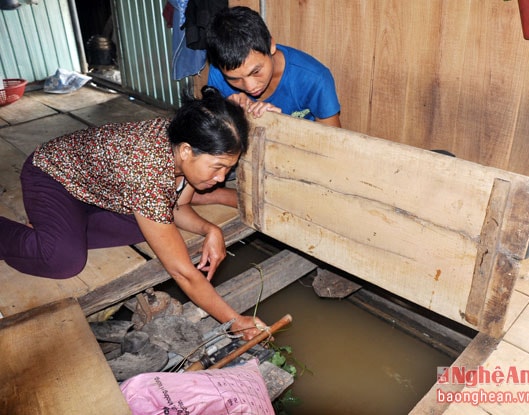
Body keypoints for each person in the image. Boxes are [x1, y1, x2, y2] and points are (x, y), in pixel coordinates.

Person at [0, 86, 266, 341]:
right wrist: (234, 320)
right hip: (52, 175)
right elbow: (182, 272)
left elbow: (177, 207)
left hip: (96, 190)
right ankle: (44, 233)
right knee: (63, 259)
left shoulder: (182, 140)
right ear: (186, 151)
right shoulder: (148, 173)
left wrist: (211, 229)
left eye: (228, 169)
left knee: (154, 225)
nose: (221, 178)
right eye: (217, 167)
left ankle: (56, 228)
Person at [206, 6, 341, 127]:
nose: (250, 87)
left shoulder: (314, 79)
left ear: (271, 46)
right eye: (234, 79)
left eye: (256, 71)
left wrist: (278, 124)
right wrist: (231, 113)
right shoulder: (219, 73)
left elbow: (332, 145)